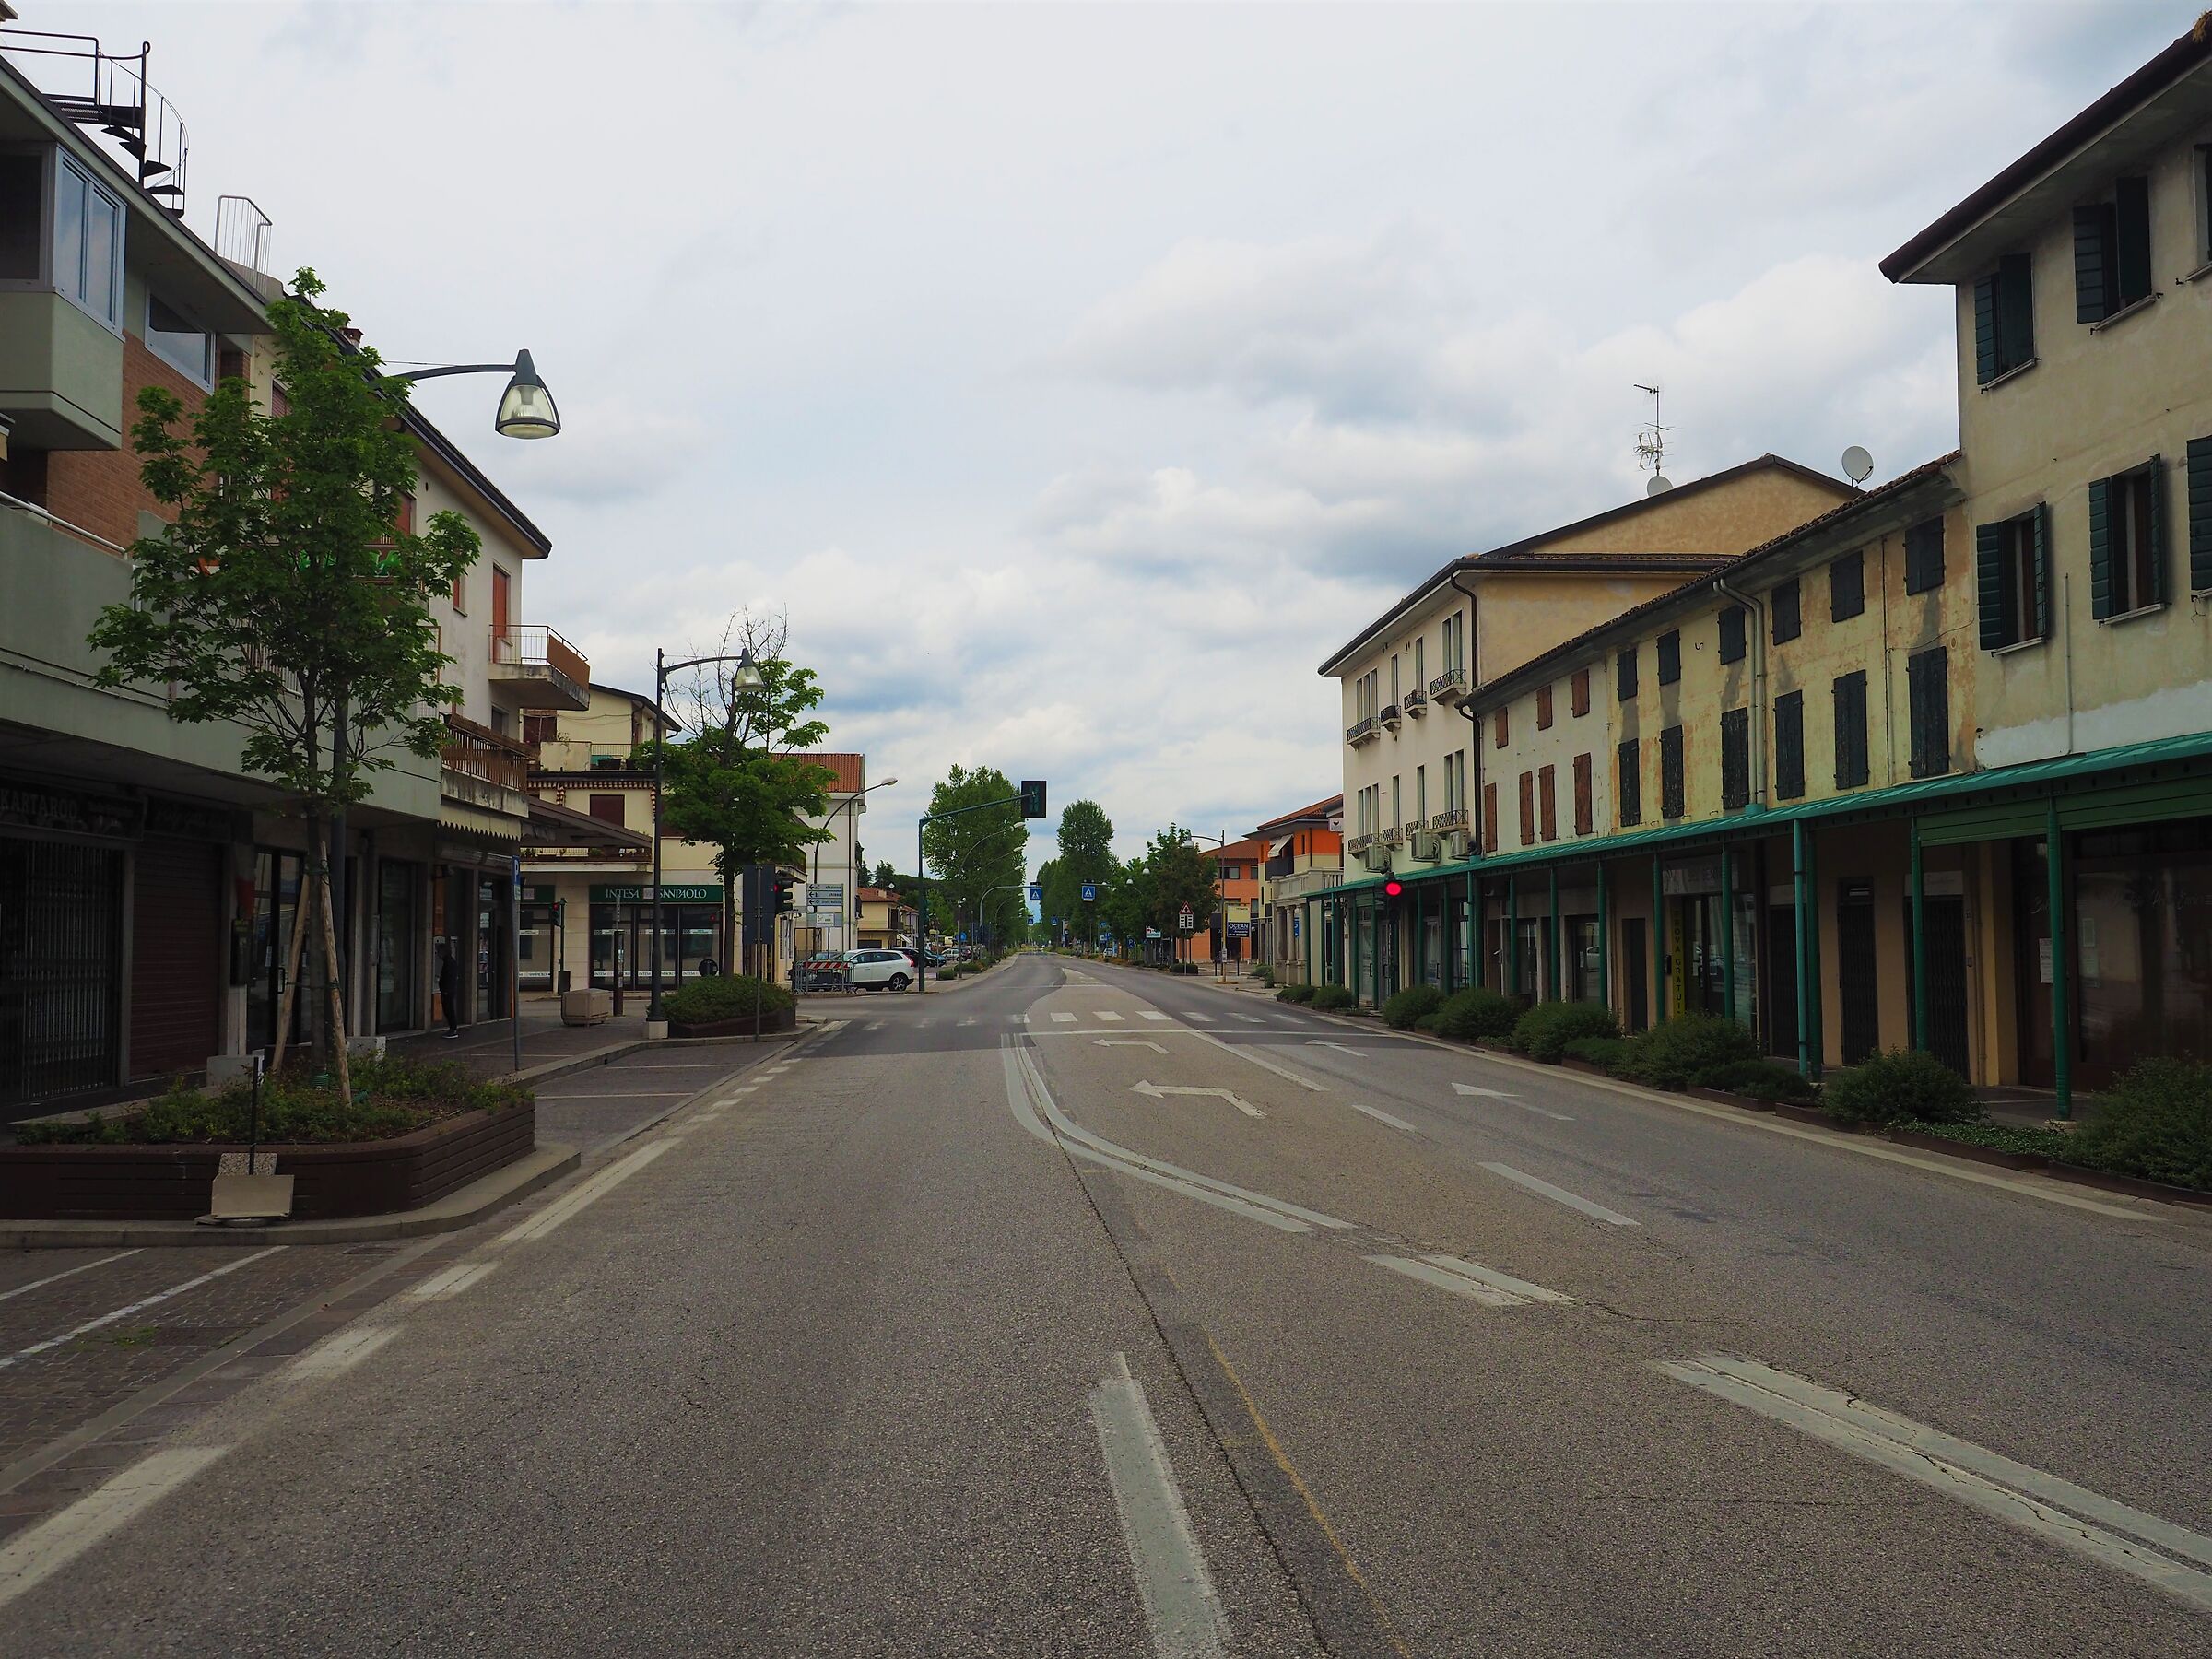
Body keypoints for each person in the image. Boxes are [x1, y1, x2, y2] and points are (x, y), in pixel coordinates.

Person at [436, 939, 461, 1039]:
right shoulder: (449, 961)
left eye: (438, 952)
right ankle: (452, 1029)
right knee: (448, 1010)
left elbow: (450, 977)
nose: (438, 954)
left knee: (449, 1010)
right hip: (448, 990)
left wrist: (446, 990)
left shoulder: (449, 962)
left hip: (448, 991)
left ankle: (453, 1029)